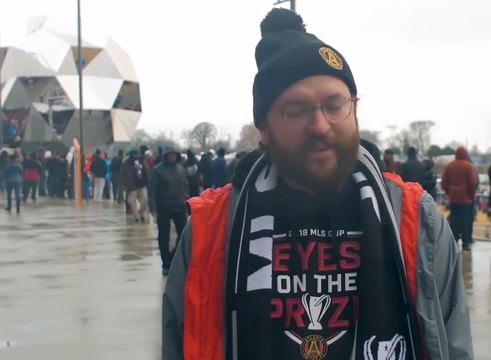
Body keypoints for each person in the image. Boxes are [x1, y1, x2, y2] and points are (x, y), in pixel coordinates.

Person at [162, 9, 473, 360]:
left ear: (354, 110)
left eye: (334, 104)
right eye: (295, 110)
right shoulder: (209, 229)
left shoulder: (416, 220)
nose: (321, 125)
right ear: (263, 129)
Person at [149, 148, 188, 276]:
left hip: (180, 206)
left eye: (174, 155)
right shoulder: (157, 170)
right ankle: (165, 263)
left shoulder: (181, 169)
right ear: (166, 156)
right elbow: (152, 190)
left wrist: (188, 202)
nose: (172, 157)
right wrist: (153, 208)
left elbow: (185, 187)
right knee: (163, 236)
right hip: (164, 207)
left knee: (183, 233)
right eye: (170, 155)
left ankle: (173, 257)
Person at [441, 146, 478, 250]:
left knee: (454, 220)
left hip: (453, 198)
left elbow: (444, 182)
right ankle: (465, 244)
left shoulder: (449, 166)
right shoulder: (469, 166)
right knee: (465, 221)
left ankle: (454, 242)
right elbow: (472, 182)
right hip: (466, 199)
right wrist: (471, 195)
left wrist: (449, 192)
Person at [121, 149, 150, 223]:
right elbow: (123, 175)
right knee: (132, 202)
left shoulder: (142, 162)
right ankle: (136, 216)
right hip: (132, 186)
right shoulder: (126, 163)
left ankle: (141, 213)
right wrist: (125, 185)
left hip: (142, 184)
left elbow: (147, 171)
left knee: (145, 200)